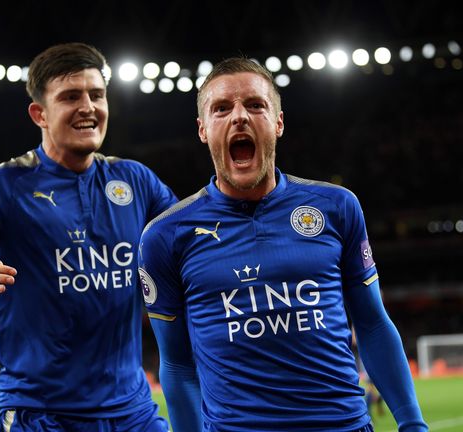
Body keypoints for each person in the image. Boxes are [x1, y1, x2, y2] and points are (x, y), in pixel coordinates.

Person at [137, 57, 428, 432]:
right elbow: (177, 365)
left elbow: (372, 324)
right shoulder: (164, 236)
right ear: (203, 129)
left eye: (255, 105)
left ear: (278, 122)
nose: (239, 116)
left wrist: (412, 423)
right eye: (221, 108)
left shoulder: (337, 207)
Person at [0, 42, 176, 432]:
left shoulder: (136, 180)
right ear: (39, 114)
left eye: (97, 95)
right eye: (70, 97)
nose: (88, 107)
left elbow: (190, 248)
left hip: (132, 412)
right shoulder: (1, 187)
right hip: (41, 415)